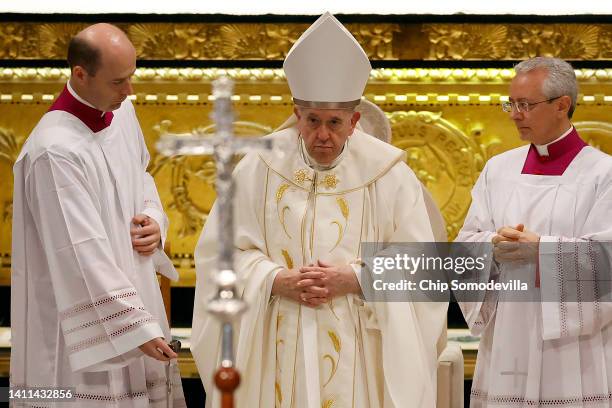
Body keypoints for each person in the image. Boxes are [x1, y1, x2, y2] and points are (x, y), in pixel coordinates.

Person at [191, 12, 447, 408]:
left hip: (360, 347)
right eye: (312, 120)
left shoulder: (390, 176)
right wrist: (272, 280)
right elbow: (217, 255)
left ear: (354, 121)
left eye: (334, 122)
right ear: (297, 115)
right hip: (277, 339)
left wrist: (357, 278)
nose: (322, 135)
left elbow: (426, 266)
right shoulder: (258, 167)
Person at [10, 23, 186, 407]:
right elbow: (79, 252)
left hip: (131, 296)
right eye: (118, 81)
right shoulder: (53, 151)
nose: (129, 91)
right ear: (80, 74)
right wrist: (134, 325)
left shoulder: (121, 112)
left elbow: (140, 176)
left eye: (131, 78)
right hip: (79, 333)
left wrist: (154, 219)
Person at [457, 57, 612, 406]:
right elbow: (466, 243)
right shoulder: (498, 170)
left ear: (562, 105)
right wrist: (492, 246)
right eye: (510, 103)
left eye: (525, 104)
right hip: (507, 338)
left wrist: (541, 251)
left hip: (573, 351)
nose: (514, 114)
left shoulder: (603, 175)